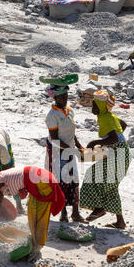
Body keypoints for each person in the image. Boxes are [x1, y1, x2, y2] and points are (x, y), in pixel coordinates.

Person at [80, 90, 131, 229]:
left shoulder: (106, 118)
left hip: (118, 154)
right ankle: (120, 222)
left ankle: (99, 208)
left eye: (95, 105)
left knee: (92, 174)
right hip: (121, 152)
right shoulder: (109, 115)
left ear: (102, 106)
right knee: (111, 186)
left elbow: (113, 138)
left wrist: (95, 143)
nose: (93, 108)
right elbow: (123, 125)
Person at [44, 81, 85, 223]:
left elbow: (72, 133)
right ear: (55, 98)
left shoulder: (69, 111)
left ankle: (75, 213)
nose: (64, 98)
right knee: (61, 182)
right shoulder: (52, 115)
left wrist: (79, 147)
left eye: (66, 95)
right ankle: (63, 214)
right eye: (61, 96)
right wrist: (71, 149)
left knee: (74, 181)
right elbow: (55, 139)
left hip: (69, 149)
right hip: (57, 152)